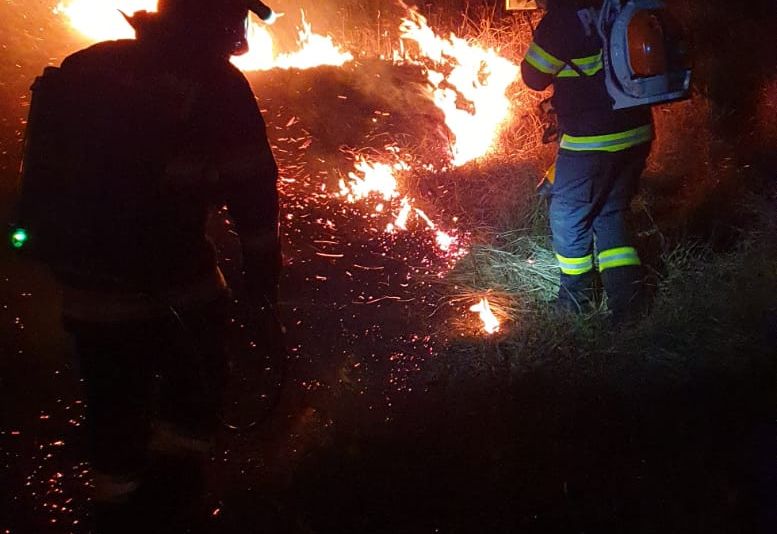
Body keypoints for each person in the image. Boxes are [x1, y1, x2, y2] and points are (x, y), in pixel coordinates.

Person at [23, 0, 280, 530]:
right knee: (193, 400)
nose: (240, 29)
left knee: (114, 408)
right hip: (179, 289)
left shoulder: (87, 66)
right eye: (236, 15)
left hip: (90, 294)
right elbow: (254, 199)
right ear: (213, 19)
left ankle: (114, 513)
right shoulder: (219, 86)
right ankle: (172, 508)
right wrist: (262, 291)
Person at [522, 0, 653, 324]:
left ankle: (576, 300)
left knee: (567, 214)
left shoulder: (563, 18)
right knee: (610, 212)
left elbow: (533, 76)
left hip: (592, 139)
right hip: (636, 130)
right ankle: (628, 304)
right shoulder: (619, 5)